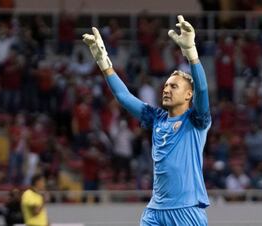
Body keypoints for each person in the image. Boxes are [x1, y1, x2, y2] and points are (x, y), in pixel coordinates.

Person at [83, 15, 211, 226]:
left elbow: (203, 89)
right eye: (166, 85)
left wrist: (192, 54)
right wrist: (104, 62)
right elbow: (124, 97)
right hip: (155, 211)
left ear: (189, 95)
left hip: (186, 211)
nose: (167, 89)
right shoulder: (157, 119)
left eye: (174, 86)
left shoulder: (196, 120)